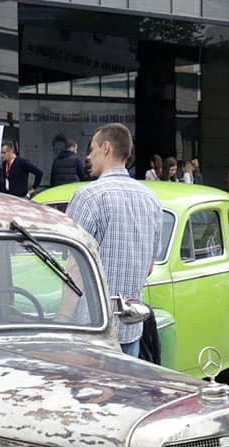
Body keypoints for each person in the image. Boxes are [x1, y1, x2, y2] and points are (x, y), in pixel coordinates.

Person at [65, 122, 162, 359]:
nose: (88, 157)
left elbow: (74, 267)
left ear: (106, 148)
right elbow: (149, 267)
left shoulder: (88, 197)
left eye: (92, 149)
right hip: (132, 328)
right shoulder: (151, 199)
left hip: (91, 329)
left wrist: (63, 320)